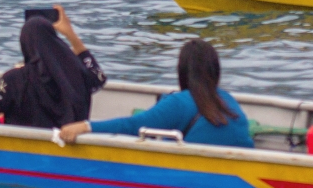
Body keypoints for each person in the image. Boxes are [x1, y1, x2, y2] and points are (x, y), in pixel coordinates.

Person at [59, 38, 253, 148]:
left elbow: (131, 125)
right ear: (215, 70)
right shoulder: (228, 99)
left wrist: (85, 126)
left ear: (183, 70)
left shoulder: (178, 103)